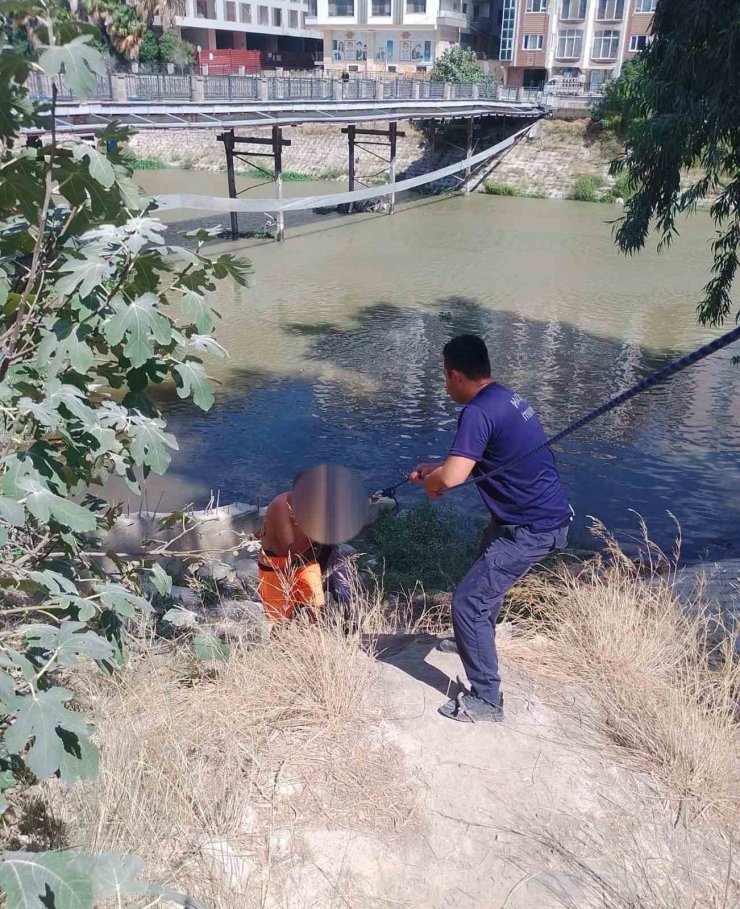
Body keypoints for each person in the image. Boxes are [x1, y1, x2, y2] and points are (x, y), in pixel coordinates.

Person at [411, 335, 573, 723]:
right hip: (534, 518)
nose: (445, 383)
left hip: (531, 528)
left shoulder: (477, 412)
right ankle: (474, 640)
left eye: (444, 376)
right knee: (487, 569)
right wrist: (437, 470)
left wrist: (432, 482)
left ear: (454, 374)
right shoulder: (505, 398)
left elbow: (451, 480)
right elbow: (473, 462)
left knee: (468, 601)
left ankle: (486, 699)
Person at [257, 487, 352, 623]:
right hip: (277, 567)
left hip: (307, 562)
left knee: (318, 608)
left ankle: (323, 632)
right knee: (278, 619)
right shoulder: (282, 506)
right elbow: (289, 552)